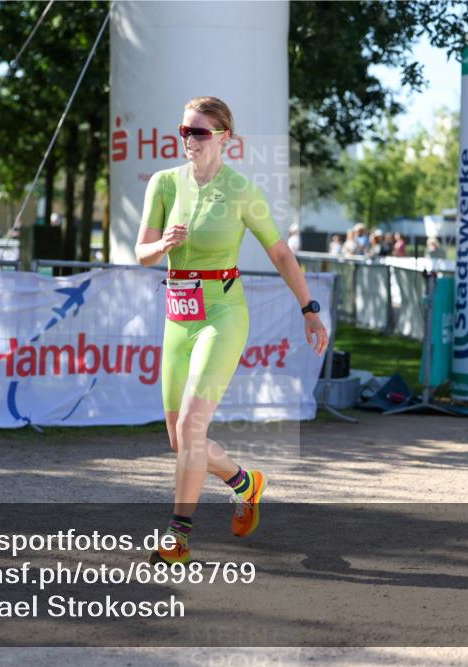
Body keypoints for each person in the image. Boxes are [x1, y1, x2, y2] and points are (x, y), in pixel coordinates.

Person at [134, 96, 329, 565]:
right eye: (183, 131)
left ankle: (178, 535)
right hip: (178, 314)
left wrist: (309, 308)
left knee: (191, 427)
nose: (189, 140)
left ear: (224, 137)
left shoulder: (242, 190)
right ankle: (245, 483)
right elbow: (141, 253)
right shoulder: (163, 184)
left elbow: (280, 254)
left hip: (222, 313)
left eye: (199, 132)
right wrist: (163, 243)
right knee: (182, 442)